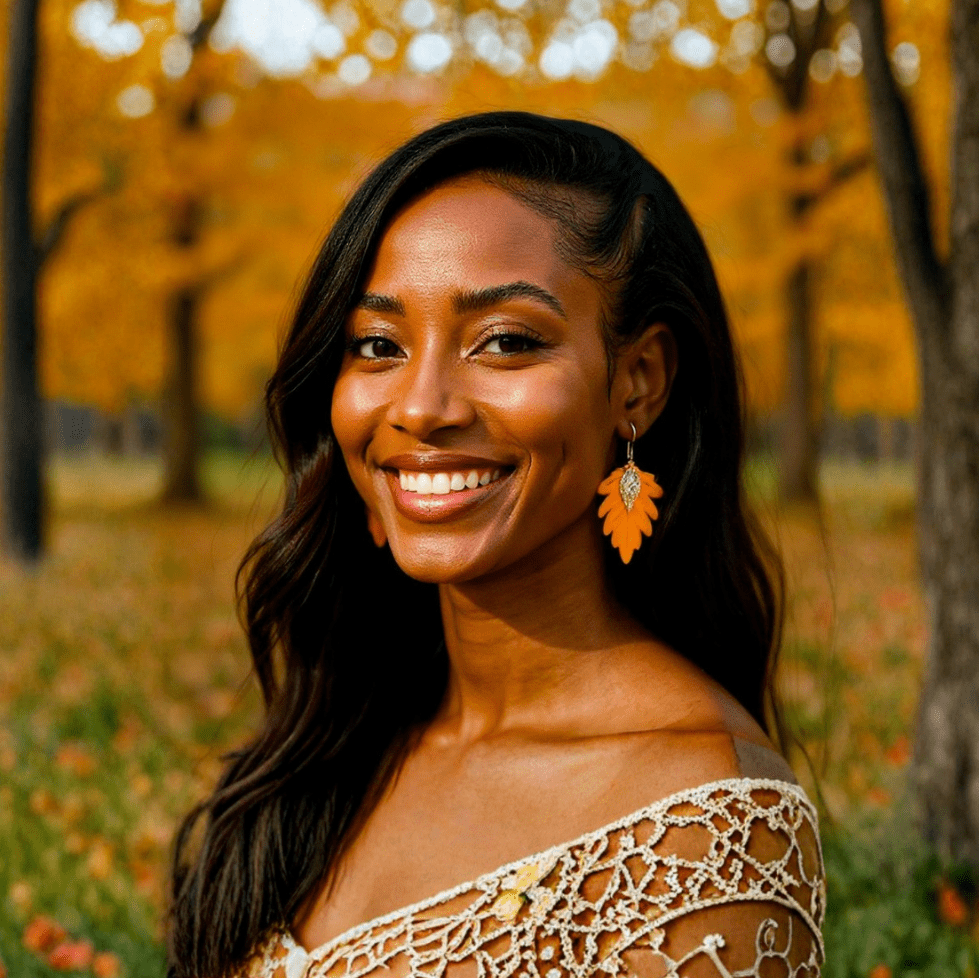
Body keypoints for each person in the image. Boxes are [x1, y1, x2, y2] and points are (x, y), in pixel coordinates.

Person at [167, 111, 825, 978]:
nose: (422, 405)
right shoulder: (333, 743)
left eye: (506, 341)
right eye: (378, 344)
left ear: (638, 380)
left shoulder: (707, 821)